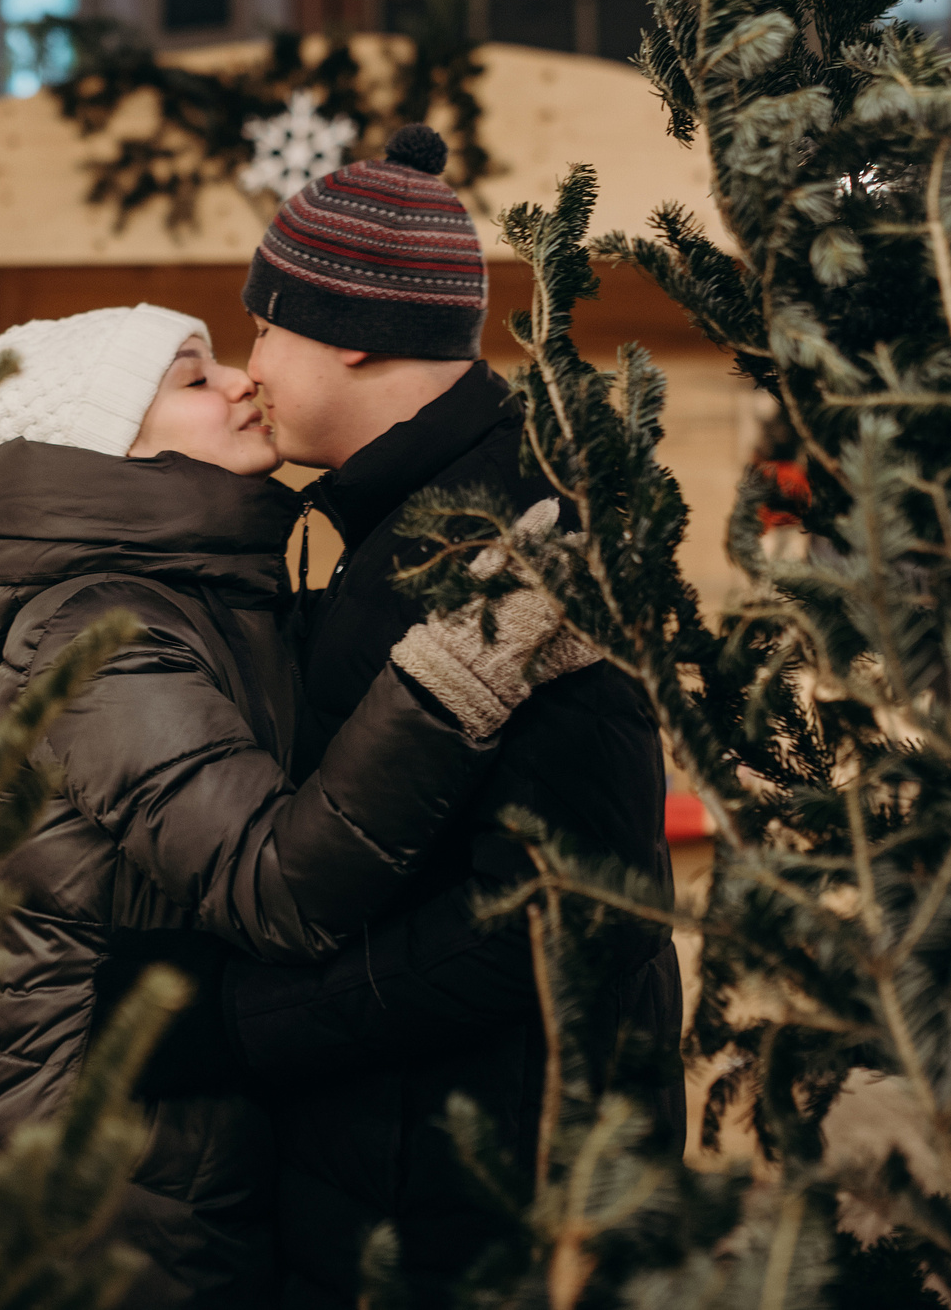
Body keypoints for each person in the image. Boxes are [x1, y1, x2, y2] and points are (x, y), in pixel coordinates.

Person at [0, 303, 590, 1308]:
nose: (238, 381)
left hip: (171, 1126)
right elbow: (273, 881)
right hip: (92, 1162)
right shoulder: (103, 634)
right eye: (193, 378)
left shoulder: (216, 598)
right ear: (118, 451)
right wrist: (454, 676)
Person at [151, 127, 684, 1307]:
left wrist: (233, 1025)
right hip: (410, 1178)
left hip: (490, 1204)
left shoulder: (517, 529)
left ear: (349, 330)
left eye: (262, 330)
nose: (246, 371)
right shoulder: (405, 518)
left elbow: (562, 912)